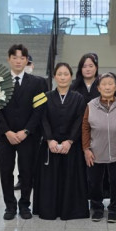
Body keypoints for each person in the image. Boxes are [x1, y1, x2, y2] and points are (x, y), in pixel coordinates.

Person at [0, 44, 47, 220]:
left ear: (27, 61)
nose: (18, 61)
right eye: (15, 57)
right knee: (5, 172)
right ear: (9, 59)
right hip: (5, 137)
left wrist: (26, 131)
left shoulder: (38, 82)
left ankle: (25, 205)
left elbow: (39, 110)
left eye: (22, 58)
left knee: (27, 172)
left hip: (28, 137)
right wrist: (7, 131)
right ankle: (9, 206)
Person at [32, 63, 89, 220]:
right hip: (50, 146)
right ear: (54, 77)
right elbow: (42, 119)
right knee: (50, 180)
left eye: (66, 74)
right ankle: (49, 210)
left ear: (71, 77)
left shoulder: (78, 98)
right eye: (59, 74)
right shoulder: (46, 97)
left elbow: (80, 120)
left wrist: (70, 141)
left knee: (71, 178)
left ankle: (70, 211)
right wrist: (49, 139)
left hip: (71, 146)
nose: (63, 77)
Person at [82, 73, 116, 222]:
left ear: (115, 87)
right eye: (104, 84)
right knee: (94, 182)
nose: (107, 87)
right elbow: (85, 128)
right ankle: (97, 208)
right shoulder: (91, 105)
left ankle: (114, 209)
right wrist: (86, 149)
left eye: (111, 84)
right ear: (98, 88)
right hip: (95, 150)